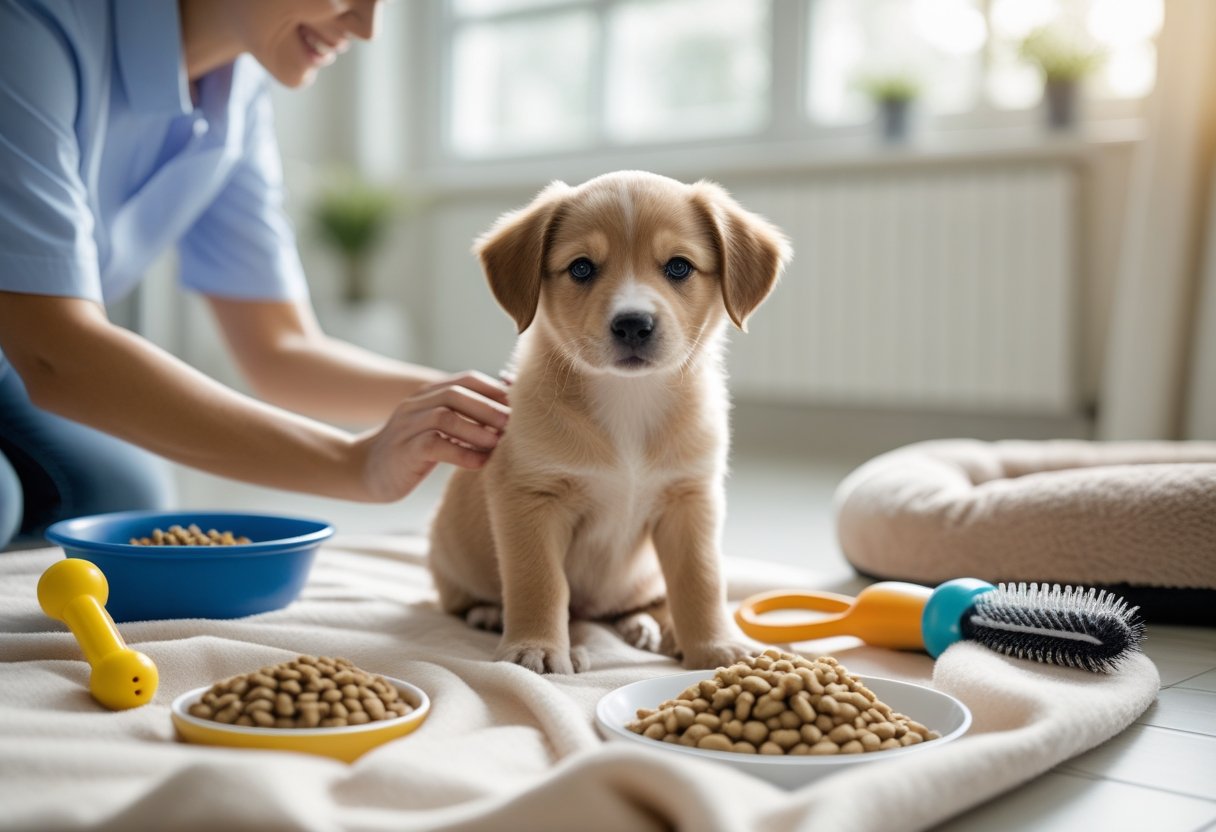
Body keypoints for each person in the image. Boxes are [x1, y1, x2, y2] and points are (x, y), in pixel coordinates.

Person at [0, 0, 509, 549]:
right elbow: (55, 354)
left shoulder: (236, 96)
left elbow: (280, 346)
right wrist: (354, 464)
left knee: (126, 494)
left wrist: (489, 408)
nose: (365, 27)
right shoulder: (28, 25)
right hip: (27, 355)